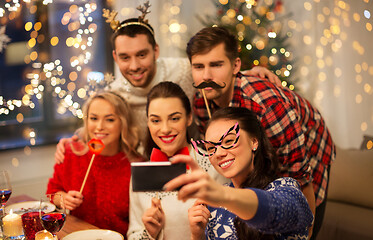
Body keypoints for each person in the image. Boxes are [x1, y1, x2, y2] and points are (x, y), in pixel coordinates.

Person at [54, 5, 279, 162]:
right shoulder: (115, 95)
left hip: (199, 159)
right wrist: (71, 141)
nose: (133, 66)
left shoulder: (182, 70)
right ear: (115, 58)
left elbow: (213, 73)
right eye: (125, 57)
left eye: (141, 55)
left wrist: (249, 71)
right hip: (151, 169)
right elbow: (98, 124)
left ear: (156, 51)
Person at [187, 26, 335, 239]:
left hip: (310, 148)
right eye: (198, 66)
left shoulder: (266, 106)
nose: (206, 75)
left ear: (235, 65)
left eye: (217, 65)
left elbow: (300, 178)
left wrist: (306, 233)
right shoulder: (201, 101)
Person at [164, 107, 314, 240]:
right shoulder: (214, 207)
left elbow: (279, 210)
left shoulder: (285, 188)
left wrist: (225, 195)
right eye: (211, 148)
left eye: (229, 141)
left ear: (254, 141)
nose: (219, 153)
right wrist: (197, 236)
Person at [127, 81, 228, 240]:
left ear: (188, 118)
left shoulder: (214, 167)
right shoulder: (139, 175)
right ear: (148, 122)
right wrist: (150, 233)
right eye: (155, 120)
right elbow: (133, 235)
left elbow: (232, 232)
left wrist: (199, 234)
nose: (165, 129)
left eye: (174, 118)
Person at [47, 91, 143, 237]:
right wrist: (63, 199)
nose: (99, 126)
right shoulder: (70, 153)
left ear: (123, 123)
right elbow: (52, 192)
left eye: (109, 120)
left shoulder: (137, 165)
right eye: (93, 118)